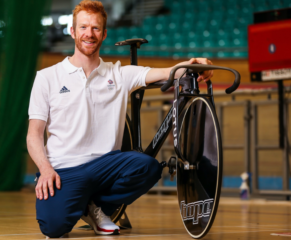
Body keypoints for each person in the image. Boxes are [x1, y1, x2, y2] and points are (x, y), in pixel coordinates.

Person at [27, 0, 213, 238]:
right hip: (64, 169)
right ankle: (85, 205)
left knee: (148, 167)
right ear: (72, 31)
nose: (89, 34)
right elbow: (34, 134)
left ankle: (97, 209)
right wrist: (44, 169)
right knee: (53, 228)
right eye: (83, 27)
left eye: (95, 28)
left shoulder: (119, 74)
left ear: (104, 34)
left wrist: (194, 64)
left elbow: (167, 72)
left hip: (106, 167)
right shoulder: (46, 77)